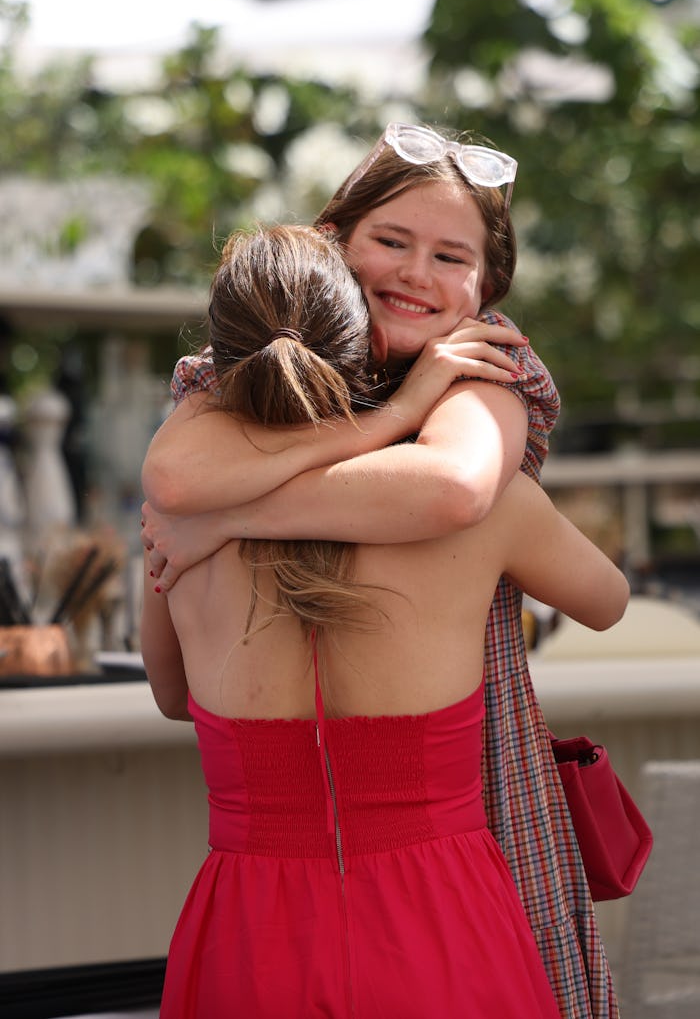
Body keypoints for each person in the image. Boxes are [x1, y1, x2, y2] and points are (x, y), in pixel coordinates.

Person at [140, 123, 618, 1018]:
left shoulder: (202, 481)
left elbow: (170, 686)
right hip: (444, 915)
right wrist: (399, 411)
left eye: (449, 254)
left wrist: (232, 516)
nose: (414, 271)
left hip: (249, 926)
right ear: (334, 242)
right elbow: (600, 594)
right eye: (390, 242)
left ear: (486, 290)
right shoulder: (474, 471)